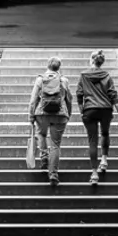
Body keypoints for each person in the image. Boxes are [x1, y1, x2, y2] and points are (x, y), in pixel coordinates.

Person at [76, 50, 118, 185]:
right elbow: (113, 94)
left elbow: (79, 95)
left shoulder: (84, 75)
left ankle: (94, 173)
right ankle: (104, 159)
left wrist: (81, 111)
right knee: (105, 133)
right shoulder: (107, 76)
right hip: (105, 109)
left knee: (92, 140)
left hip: (89, 109)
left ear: (92, 60)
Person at [28, 56, 73, 187]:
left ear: (48, 66)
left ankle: (44, 156)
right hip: (60, 114)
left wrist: (31, 115)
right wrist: (68, 114)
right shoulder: (64, 80)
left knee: (41, 134)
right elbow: (69, 99)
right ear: (59, 67)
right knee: (55, 145)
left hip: (42, 113)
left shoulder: (40, 79)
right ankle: (53, 174)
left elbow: (33, 99)